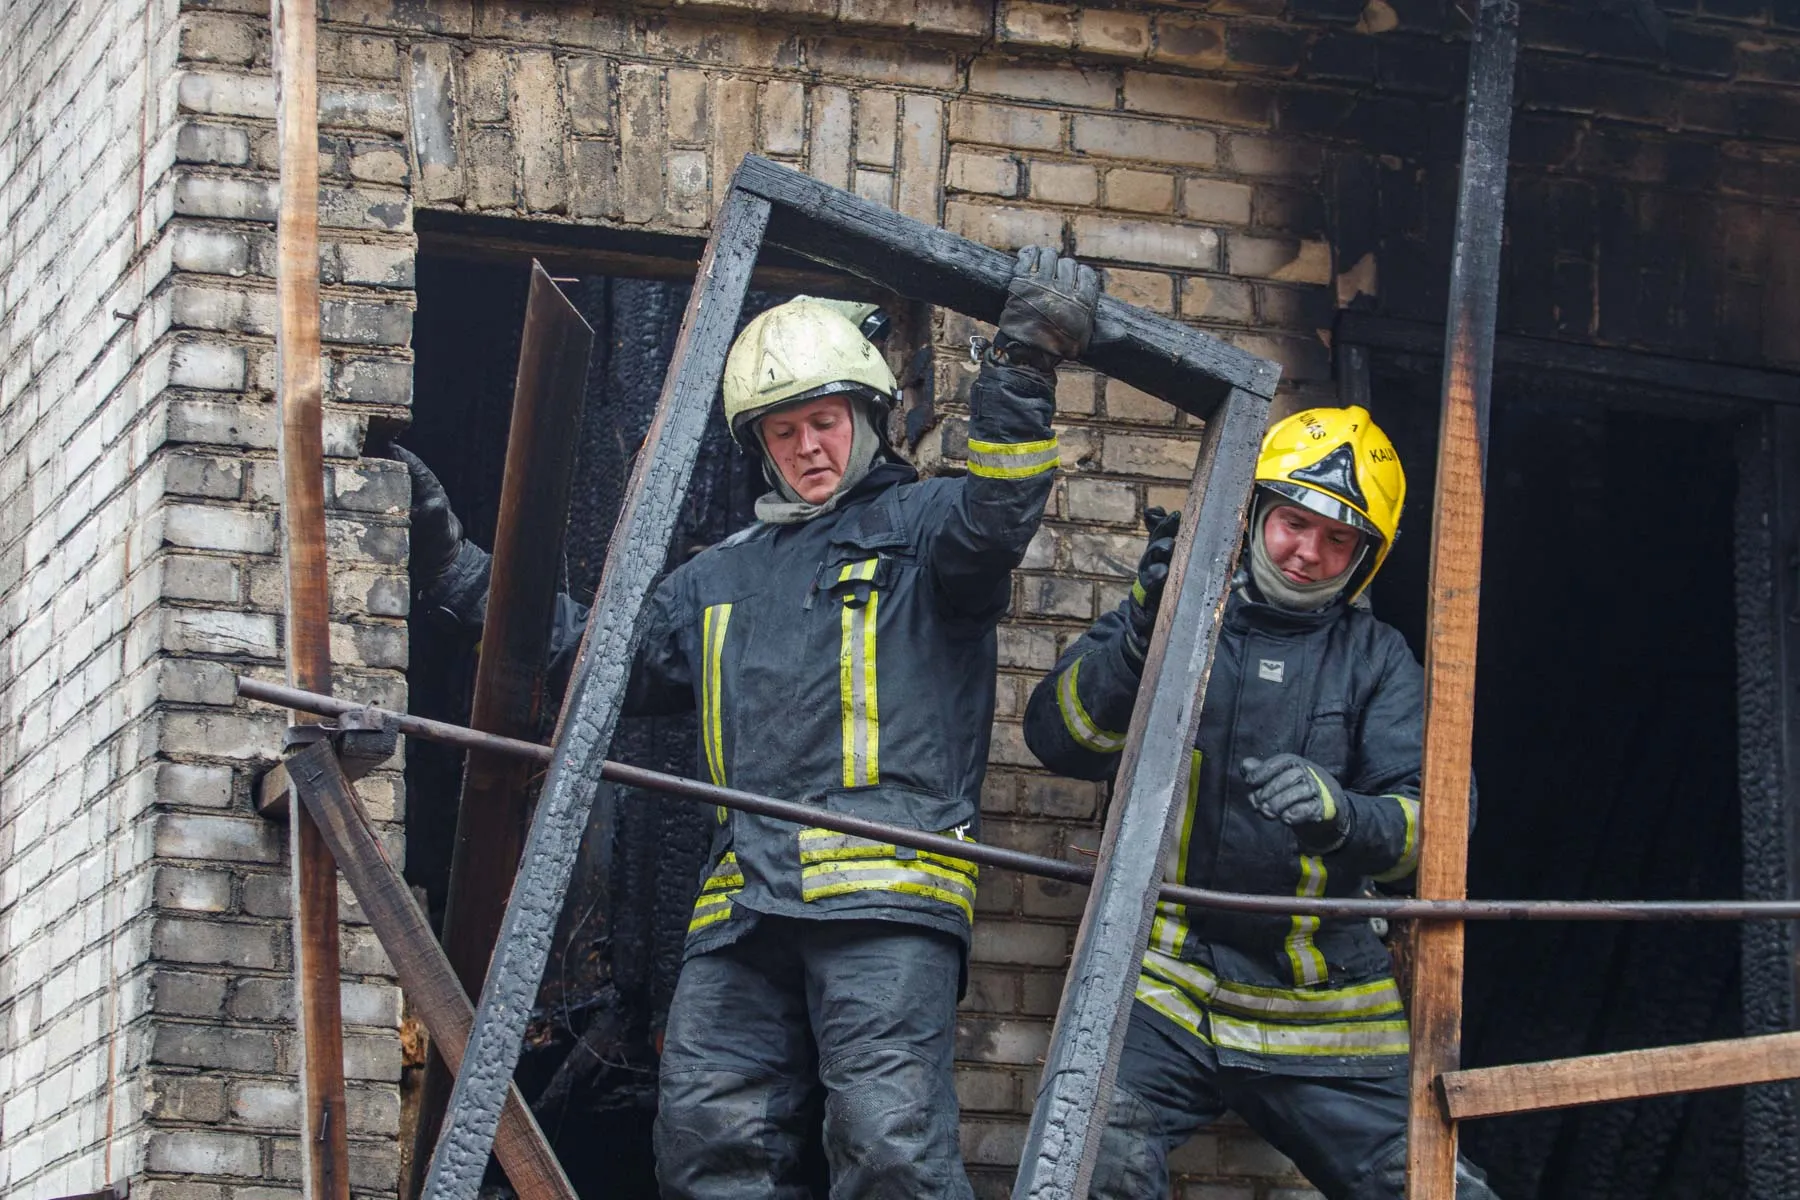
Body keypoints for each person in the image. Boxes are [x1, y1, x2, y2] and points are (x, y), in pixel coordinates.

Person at [402, 246, 1100, 1199]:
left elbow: (1001, 510)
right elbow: (587, 659)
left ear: (868, 417)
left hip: (882, 902)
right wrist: (459, 573)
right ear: (758, 445)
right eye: (783, 431)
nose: (807, 447)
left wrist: (1022, 366)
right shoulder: (713, 580)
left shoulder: (930, 530)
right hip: (741, 914)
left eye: (824, 421)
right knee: (704, 1140)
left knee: (888, 1145)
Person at [1021, 406, 1499, 1200]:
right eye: (1292, 522)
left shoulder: (1378, 660)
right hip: (1166, 986)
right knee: (1087, 1167)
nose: (1308, 552)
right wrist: (1145, 636)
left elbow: (1443, 825)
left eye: (1338, 539)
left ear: (1366, 558)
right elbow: (1062, 738)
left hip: (1327, 1009)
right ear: (1253, 515)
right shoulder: (1173, 611)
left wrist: (1343, 818)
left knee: (1439, 1191)